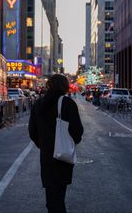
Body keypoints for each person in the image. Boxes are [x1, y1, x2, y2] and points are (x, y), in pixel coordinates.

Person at [28, 74, 84, 213]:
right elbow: (77, 131)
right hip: (63, 156)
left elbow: (32, 131)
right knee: (59, 195)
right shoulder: (68, 103)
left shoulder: (38, 104)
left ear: (49, 85)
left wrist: (44, 144)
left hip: (46, 156)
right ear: (65, 87)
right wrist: (70, 142)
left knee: (51, 197)